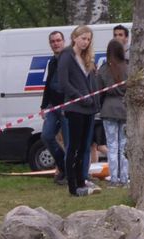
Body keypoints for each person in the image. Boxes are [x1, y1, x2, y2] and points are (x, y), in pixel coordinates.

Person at [58, 25, 101, 196]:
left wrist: (94, 101)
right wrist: (80, 96)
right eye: (83, 38)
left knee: (85, 146)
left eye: (88, 39)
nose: (86, 42)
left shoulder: (87, 58)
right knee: (73, 146)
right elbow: (64, 82)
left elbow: (91, 83)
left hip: (89, 108)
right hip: (75, 107)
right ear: (75, 37)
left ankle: (82, 181)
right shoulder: (67, 55)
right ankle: (72, 185)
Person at [97, 39, 129, 187]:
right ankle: (124, 178)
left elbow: (98, 90)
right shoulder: (128, 67)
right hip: (125, 109)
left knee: (112, 145)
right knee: (123, 146)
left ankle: (114, 179)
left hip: (108, 108)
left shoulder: (104, 69)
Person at [39, 30, 67, 183]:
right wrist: (43, 106)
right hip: (52, 106)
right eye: (53, 41)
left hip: (67, 106)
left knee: (69, 142)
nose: (56, 44)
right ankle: (62, 167)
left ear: (63, 41)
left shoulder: (69, 59)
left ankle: (71, 173)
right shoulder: (52, 62)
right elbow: (48, 84)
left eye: (58, 40)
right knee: (47, 135)